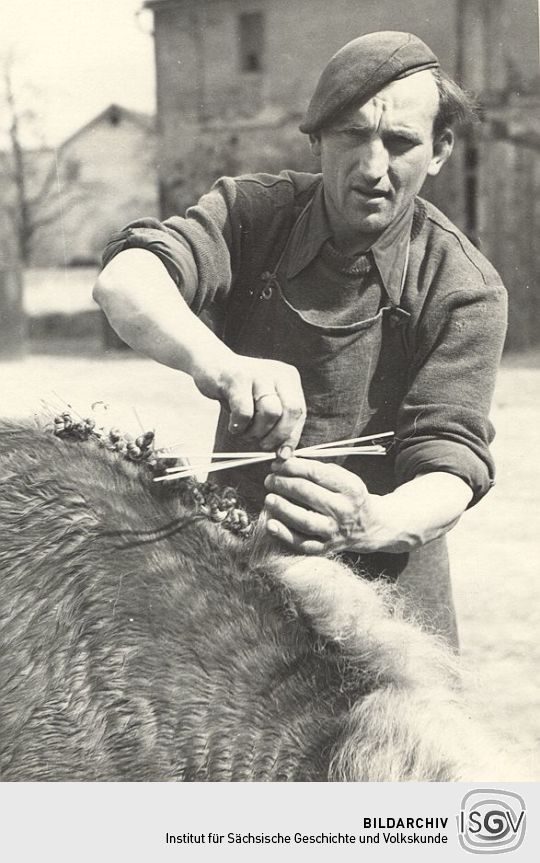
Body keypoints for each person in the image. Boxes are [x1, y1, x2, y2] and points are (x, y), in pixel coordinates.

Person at [94, 31, 507, 646]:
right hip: (237, 581)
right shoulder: (251, 214)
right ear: (316, 138)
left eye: (400, 144)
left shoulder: (463, 286)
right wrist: (222, 365)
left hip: (387, 607)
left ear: (440, 150)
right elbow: (124, 281)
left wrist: (375, 520)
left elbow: (452, 466)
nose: (373, 169)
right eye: (351, 135)